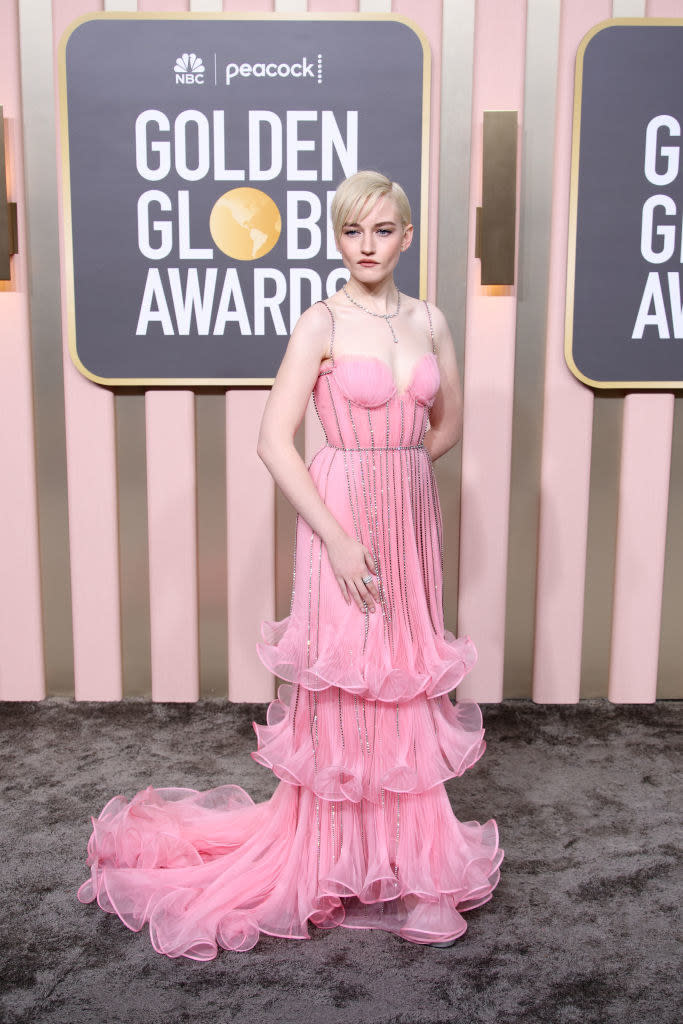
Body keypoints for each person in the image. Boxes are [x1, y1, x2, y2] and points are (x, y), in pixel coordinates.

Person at [77, 171, 504, 959]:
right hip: (336, 514)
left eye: (382, 231)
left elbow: (446, 424)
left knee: (403, 673)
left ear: (406, 236)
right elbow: (275, 439)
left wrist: (402, 474)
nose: (367, 246)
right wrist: (339, 534)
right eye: (352, 232)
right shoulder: (320, 322)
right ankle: (335, 862)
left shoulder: (431, 320)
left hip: (409, 519)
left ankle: (407, 861)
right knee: (348, 678)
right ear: (336, 239)